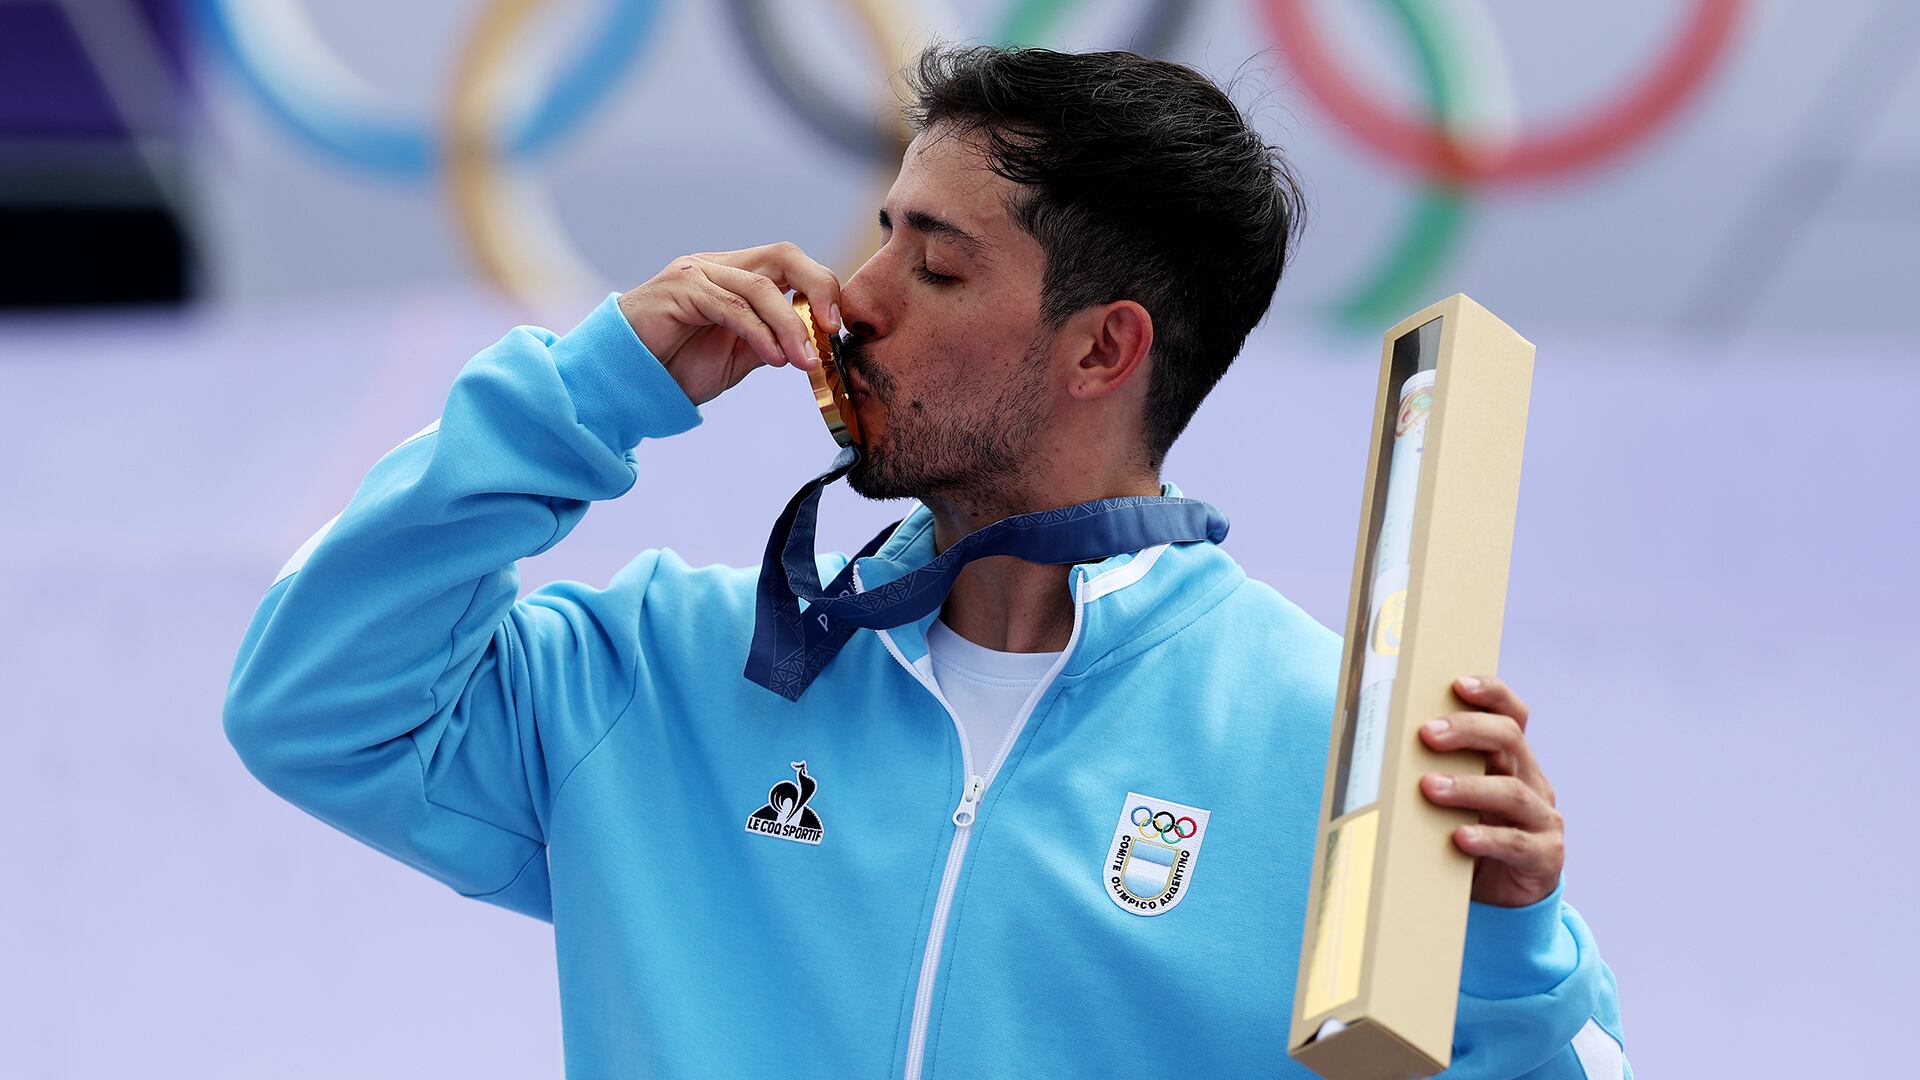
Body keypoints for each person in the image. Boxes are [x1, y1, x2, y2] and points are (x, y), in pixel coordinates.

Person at [224, 44, 1625, 1079]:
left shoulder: (1340, 751)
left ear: (1102, 349)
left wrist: (1506, 954)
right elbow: (315, 706)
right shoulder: (662, 674)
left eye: (938, 269)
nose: (857, 302)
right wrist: (586, 392)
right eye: (881, 235)